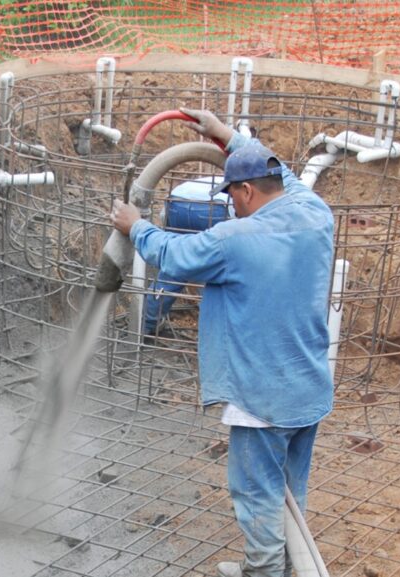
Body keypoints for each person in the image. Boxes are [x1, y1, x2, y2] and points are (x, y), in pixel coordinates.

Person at [109, 108, 335, 577]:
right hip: (308, 388)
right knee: (290, 492)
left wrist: (135, 225)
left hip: (261, 398)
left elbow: (172, 254)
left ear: (247, 191)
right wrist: (226, 137)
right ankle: (288, 567)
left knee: (258, 497)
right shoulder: (315, 213)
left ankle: (265, 573)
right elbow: (285, 174)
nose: (231, 205)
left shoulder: (234, 240)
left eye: (233, 196)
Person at [143, 176, 234, 338]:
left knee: (174, 266)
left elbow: (164, 220)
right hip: (217, 208)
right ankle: (218, 331)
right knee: (221, 269)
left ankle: (148, 322)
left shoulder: (234, 177)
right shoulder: (273, 193)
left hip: (176, 201)